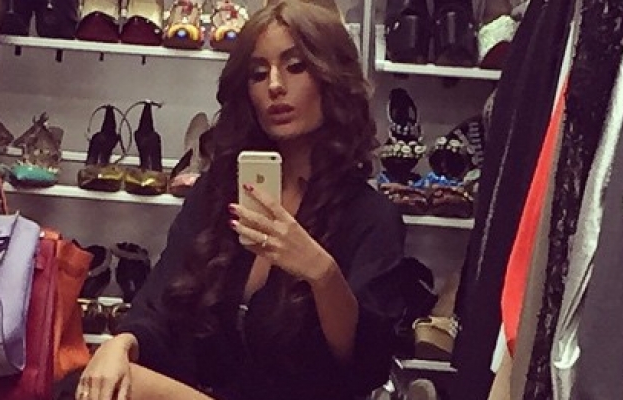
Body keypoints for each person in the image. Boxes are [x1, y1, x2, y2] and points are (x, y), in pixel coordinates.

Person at [77, 1, 410, 399]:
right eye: (258, 73)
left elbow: (365, 367)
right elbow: (160, 302)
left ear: (331, 78)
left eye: (296, 66)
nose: (275, 86)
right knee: (113, 377)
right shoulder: (216, 194)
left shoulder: (370, 217)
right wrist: (121, 343)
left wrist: (323, 275)